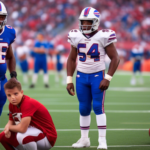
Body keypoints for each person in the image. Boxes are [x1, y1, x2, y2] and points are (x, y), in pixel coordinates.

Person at [66, 7, 120, 149]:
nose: (84, 25)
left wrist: (107, 77)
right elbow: (71, 59)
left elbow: (115, 58)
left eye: (88, 22)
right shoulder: (75, 35)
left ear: (95, 22)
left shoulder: (103, 36)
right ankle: (84, 140)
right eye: (82, 22)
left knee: (97, 107)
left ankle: (102, 141)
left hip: (97, 75)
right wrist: (69, 79)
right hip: (81, 76)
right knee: (83, 108)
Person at [0, 78, 57, 150]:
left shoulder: (27, 103)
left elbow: (22, 129)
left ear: (22, 92)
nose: (13, 98)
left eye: (15, 94)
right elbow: (11, 122)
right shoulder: (11, 105)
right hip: (32, 133)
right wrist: (7, 127)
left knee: (21, 136)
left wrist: (8, 127)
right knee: (2, 136)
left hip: (47, 137)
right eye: (9, 95)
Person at [0, 1, 17, 116]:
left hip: (1, 79)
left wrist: (13, 76)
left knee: (1, 103)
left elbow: (10, 57)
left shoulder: (9, 32)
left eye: (1, 17)